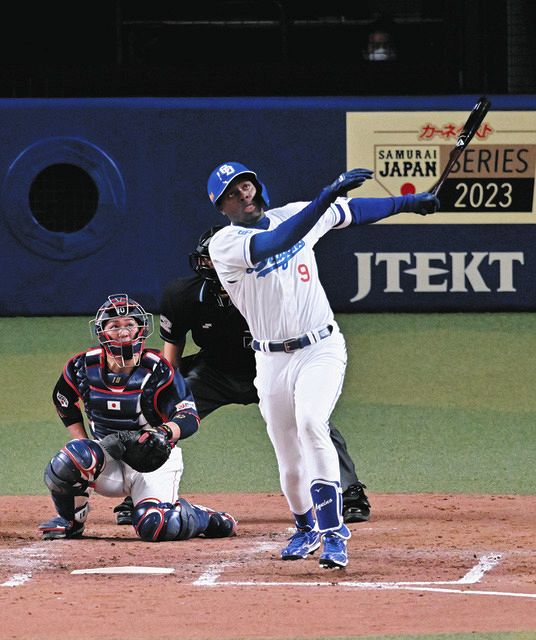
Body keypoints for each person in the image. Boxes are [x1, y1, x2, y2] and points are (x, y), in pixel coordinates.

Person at [206, 161, 439, 568]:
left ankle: (334, 534)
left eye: (246, 185)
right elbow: (277, 242)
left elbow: (352, 211)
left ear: (257, 187)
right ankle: (305, 527)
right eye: (231, 193)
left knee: (313, 423)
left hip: (321, 348)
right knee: (288, 458)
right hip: (270, 360)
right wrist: (324, 196)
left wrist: (409, 202)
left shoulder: (296, 213)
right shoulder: (225, 244)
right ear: (221, 206)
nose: (242, 195)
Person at [112, 227, 371, 526]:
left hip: (272, 368)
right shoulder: (182, 296)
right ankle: (141, 494)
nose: (215, 265)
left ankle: (349, 492)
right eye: (210, 259)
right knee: (162, 416)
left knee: (311, 420)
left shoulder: (272, 290)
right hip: (214, 374)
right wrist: (163, 395)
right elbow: (172, 355)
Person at [38, 293, 237, 542]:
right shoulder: (82, 366)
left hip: (154, 459)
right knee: (71, 458)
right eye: (114, 326)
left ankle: (203, 517)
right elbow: (63, 399)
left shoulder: (159, 369)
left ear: (140, 329)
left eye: (129, 325)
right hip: (108, 458)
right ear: (102, 332)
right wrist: (84, 442)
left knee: (157, 526)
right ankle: (71, 522)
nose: (123, 332)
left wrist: (162, 434)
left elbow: (188, 416)